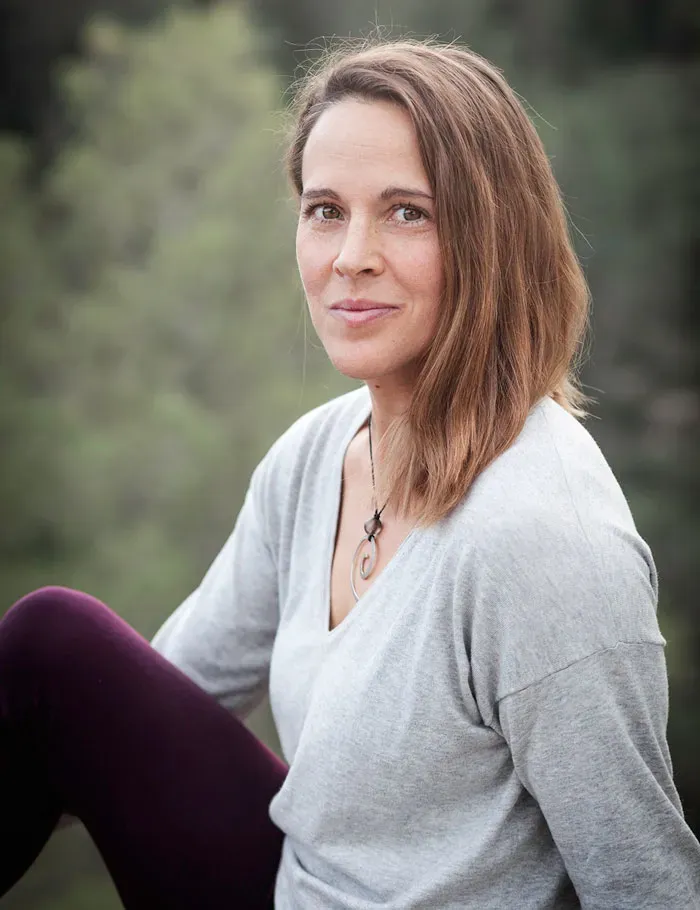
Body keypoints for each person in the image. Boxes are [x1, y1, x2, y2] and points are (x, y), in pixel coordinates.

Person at [1, 37, 698, 910]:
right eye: (325, 209)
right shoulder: (316, 456)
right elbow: (135, 703)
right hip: (293, 884)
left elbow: (646, 884)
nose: (350, 255)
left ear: (494, 238)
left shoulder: (543, 542)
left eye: (408, 212)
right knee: (52, 647)